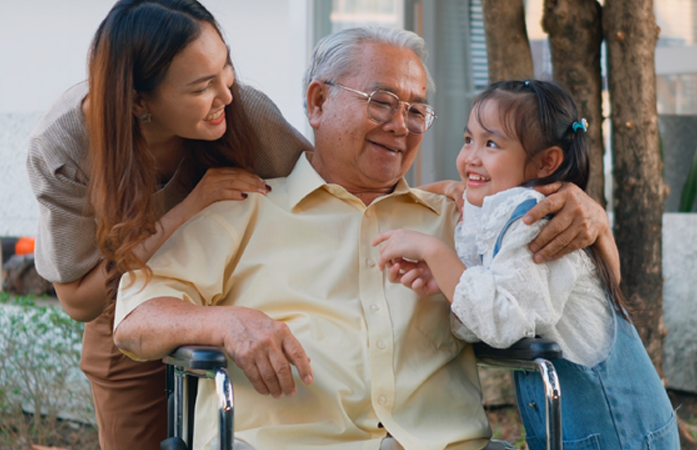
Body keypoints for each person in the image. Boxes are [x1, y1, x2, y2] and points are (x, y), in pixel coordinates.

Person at [113, 28, 620, 450]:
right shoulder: (243, 208)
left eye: (417, 111)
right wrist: (227, 322)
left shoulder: (463, 222)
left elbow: (584, 293)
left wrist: (592, 217)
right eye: (382, 102)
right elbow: (135, 321)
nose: (401, 126)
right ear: (317, 101)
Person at [25, 1, 313, 449]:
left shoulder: (243, 112)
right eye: (202, 86)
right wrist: (189, 208)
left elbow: (329, 188)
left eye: (227, 70)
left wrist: (442, 197)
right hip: (127, 313)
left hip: (239, 297)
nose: (228, 95)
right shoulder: (65, 148)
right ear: (139, 100)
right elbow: (79, 301)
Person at [373, 80, 679, 449]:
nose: (470, 157)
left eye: (491, 144)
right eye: (468, 139)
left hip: (621, 434)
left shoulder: (535, 223)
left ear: (546, 162)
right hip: (584, 432)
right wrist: (445, 278)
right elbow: (487, 316)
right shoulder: (502, 215)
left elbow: (503, 323)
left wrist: (436, 254)